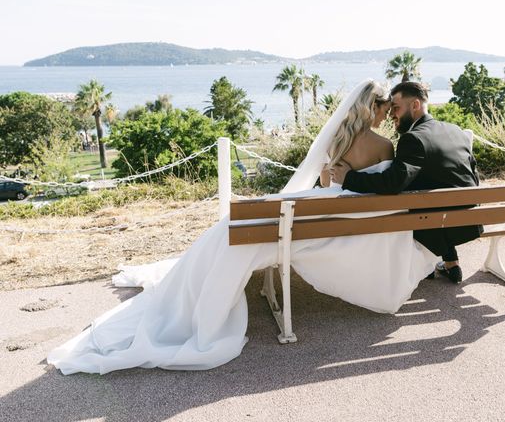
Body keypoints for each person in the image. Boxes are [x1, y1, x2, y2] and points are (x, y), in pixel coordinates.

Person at [48, 80, 439, 375]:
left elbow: (325, 183)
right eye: (387, 109)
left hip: (310, 214)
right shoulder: (386, 148)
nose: (389, 115)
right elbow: (374, 190)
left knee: (240, 229)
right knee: (263, 229)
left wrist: (335, 178)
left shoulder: (338, 139)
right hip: (338, 222)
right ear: (374, 108)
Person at [330, 81, 483, 284]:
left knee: (400, 206)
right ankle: (449, 260)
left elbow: (392, 183)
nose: (392, 114)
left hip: (438, 222)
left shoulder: (413, 139)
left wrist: (348, 178)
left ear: (415, 105)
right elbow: (473, 175)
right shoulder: (455, 130)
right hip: (469, 219)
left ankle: (425, 264)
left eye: (396, 108)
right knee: (419, 192)